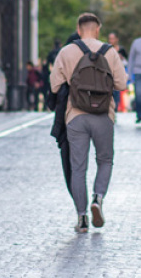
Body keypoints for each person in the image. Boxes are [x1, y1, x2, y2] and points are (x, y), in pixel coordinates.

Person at [50, 13, 128, 233]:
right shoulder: (109, 51)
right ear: (98, 29)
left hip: (76, 116)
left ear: (78, 28)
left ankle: (82, 217)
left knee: (78, 168)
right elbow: (122, 84)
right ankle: (98, 198)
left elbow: (55, 86)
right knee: (105, 160)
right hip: (104, 116)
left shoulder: (66, 51)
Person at [108, 32, 129, 111]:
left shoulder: (122, 49)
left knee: (118, 91)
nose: (111, 40)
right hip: (109, 73)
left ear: (117, 39)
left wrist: (122, 58)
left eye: (113, 39)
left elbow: (127, 62)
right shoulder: (107, 48)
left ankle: (116, 108)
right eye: (110, 39)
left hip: (119, 73)